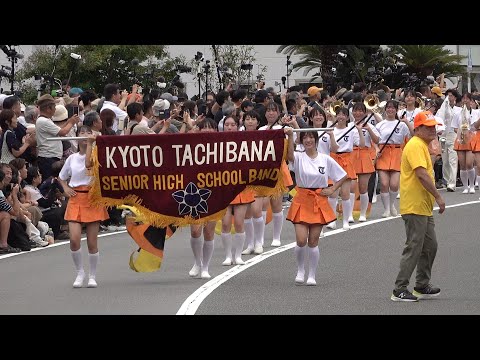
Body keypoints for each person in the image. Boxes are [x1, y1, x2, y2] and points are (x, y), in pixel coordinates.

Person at [390, 111, 446, 302]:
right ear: (418, 128)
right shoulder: (415, 145)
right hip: (414, 205)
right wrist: (438, 196)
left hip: (422, 205)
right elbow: (422, 174)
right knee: (414, 246)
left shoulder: (422, 145)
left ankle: (421, 285)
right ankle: (400, 289)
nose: (432, 130)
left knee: (430, 245)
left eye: (433, 126)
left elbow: (425, 170)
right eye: (428, 127)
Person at [284, 128, 347, 285]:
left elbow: (342, 175)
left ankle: (312, 275)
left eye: (311, 137)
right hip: (302, 198)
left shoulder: (325, 159)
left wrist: (332, 189)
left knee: (313, 240)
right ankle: (300, 270)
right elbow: (289, 156)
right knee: (300, 240)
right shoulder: (298, 157)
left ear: (316, 140)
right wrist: (290, 135)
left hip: (319, 199)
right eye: (305, 137)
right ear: (302, 140)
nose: (308, 140)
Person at [58, 125, 109, 288]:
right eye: (82, 132)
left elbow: (88, 164)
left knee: (92, 242)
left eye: (88, 132)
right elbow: (61, 177)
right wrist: (65, 188)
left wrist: (93, 144)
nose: (85, 135)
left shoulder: (97, 155)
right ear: (77, 136)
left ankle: (92, 275)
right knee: (74, 239)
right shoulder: (71, 158)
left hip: (92, 198)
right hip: (76, 198)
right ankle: (80, 272)